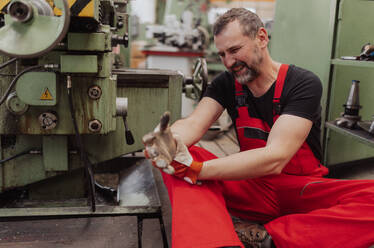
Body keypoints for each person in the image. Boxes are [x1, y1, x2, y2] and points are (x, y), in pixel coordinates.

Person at [143, 8, 374, 248]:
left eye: (235, 50)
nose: (229, 62)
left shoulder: (303, 83)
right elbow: (194, 122)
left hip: (302, 189)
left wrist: (198, 170)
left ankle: (268, 239)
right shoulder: (226, 84)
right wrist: (171, 141)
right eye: (222, 54)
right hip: (251, 185)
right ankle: (216, 241)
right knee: (179, 161)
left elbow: (276, 157)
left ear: (261, 38)